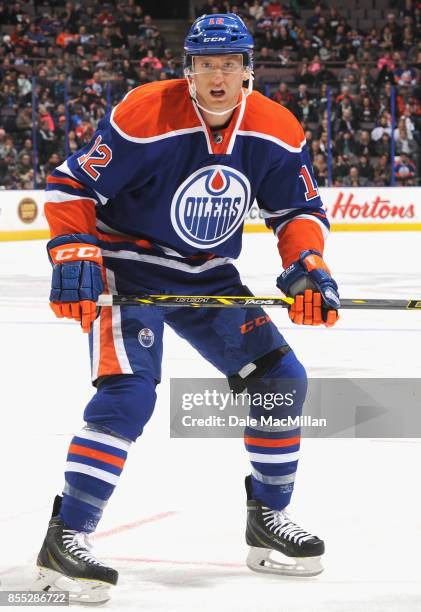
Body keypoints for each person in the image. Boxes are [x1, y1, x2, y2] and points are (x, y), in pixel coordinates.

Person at [35, 14, 340, 603]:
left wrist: (309, 265)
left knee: (280, 379)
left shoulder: (276, 129)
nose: (218, 76)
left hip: (207, 274)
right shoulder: (144, 113)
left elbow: (296, 211)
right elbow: (74, 186)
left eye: (229, 64)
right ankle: (66, 535)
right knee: (129, 393)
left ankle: (267, 520)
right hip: (128, 265)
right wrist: (74, 250)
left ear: (248, 70)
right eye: (206, 64)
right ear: (189, 69)